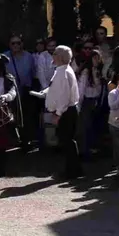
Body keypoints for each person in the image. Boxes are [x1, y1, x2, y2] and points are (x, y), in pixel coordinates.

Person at [38, 46, 82, 179]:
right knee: (67, 141)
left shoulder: (63, 72)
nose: (53, 55)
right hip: (67, 111)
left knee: (67, 141)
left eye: (55, 53)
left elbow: (64, 96)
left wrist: (58, 114)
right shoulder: (62, 70)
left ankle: (72, 172)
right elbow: (57, 89)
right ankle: (73, 170)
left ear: (61, 57)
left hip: (66, 112)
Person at [4, 35, 37, 150]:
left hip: (25, 91)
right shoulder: (5, 57)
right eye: (13, 43)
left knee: (27, 117)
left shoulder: (29, 57)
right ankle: (14, 140)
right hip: (11, 91)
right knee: (12, 116)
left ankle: (26, 141)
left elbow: (33, 73)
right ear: (9, 45)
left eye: (18, 43)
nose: (16, 45)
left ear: (22, 44)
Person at [76, 50, 105, 159]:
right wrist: (79, 104)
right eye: (94, 58)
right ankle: (84, 150)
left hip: (95, 101)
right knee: (85, 126)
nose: (97, 60)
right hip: (86, 101)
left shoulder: (97, 71)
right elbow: (81, 89)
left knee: (92, 125)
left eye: (98, 58)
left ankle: (91, 149)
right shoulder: (86, 72)